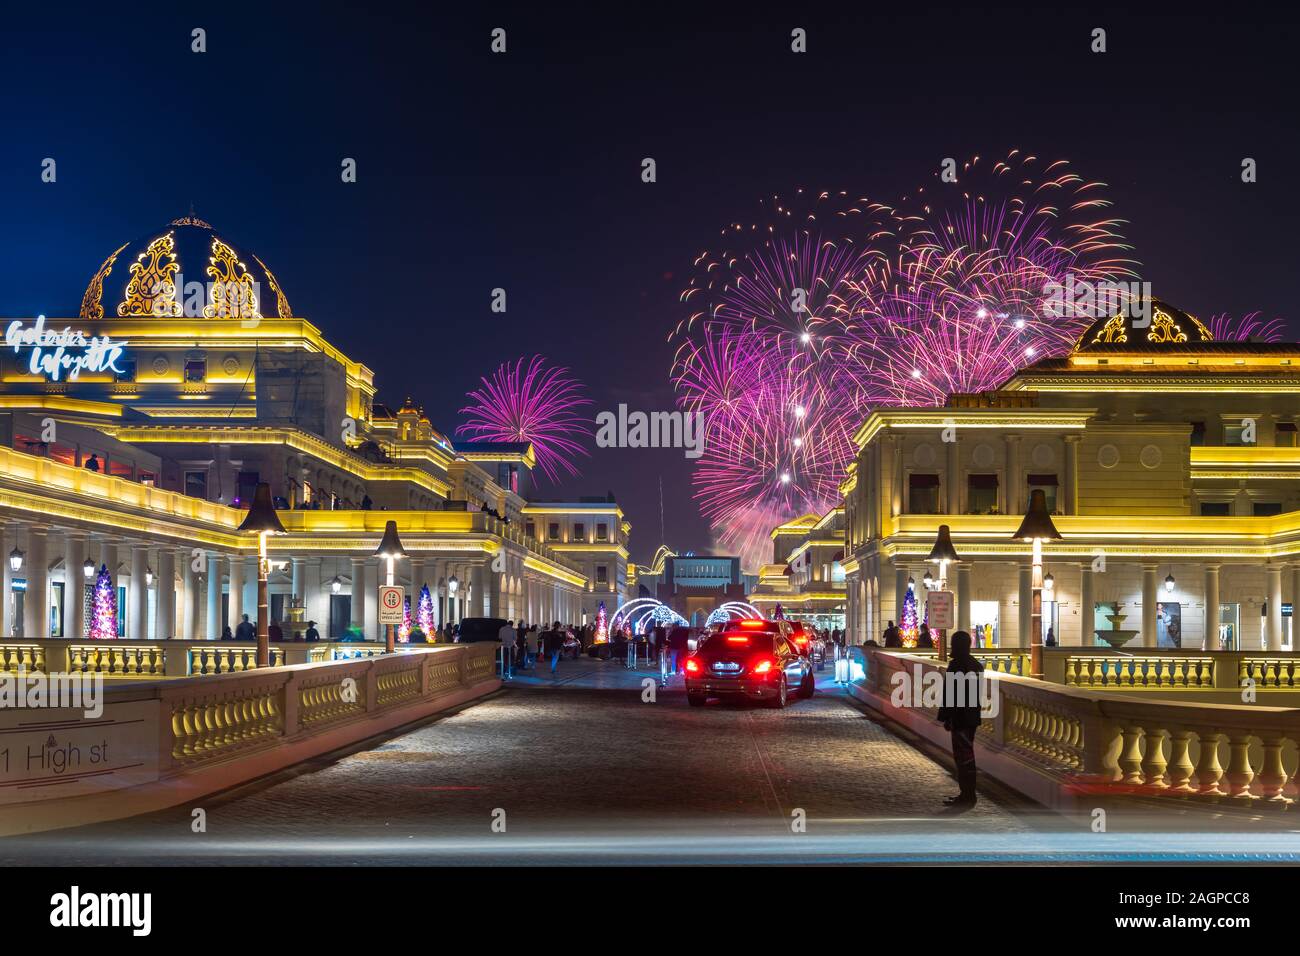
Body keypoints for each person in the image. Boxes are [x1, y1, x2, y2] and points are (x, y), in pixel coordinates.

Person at [936, 630, 984, 808]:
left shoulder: (956, 665)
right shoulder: (976, 665)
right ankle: (968, 793)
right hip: (971, 718)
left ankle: (967, 795)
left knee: (962, 757)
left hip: (959, 718)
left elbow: (951, 694)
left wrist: (946, 717)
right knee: (967, 756)